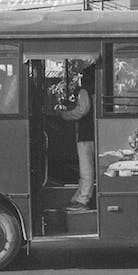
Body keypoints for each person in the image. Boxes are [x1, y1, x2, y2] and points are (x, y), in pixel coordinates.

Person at [56, 62, 95, 211]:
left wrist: (65, 115)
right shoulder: (94, 89)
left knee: (86, 168)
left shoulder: (84, 91)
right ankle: (80, 195)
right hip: (94, 132)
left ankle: (83, 198)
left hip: (86, 134)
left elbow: (82, 111)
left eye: (83, 76)